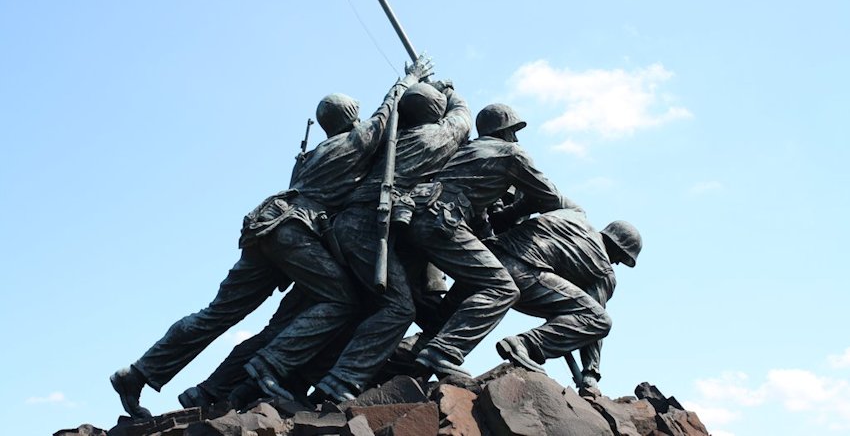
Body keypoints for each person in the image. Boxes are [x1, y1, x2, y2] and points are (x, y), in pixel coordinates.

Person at [110, 58, 433, 418]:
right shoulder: (353, 143)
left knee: (217, 314)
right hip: (294, 231)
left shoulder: (311, 156)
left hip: (265, 225)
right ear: (353, 117)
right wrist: (409, 79)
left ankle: (139, 372)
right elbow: (387, 114)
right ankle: (269, 366)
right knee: (343, 301)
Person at [187, 80, 472, 405]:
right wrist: (448, 90)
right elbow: (460, 118)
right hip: (346, 239)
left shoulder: (379, 146)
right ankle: (330, 382)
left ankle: (225, 389)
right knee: (389, 308)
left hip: (328, 241)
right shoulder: (413, 140)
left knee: (293, 323)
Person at [401, 103, 563, 378]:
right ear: (506, 131)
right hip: (442, 222)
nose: (517, 138)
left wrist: (489, 233)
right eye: (514, 131)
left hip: (413, 219)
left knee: (429, 307)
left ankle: (408, 358)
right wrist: (517, 210)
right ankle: (442, 352)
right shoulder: (512, 153)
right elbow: (552, 198)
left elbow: (477, 212)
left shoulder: (465, 150)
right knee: (503, 289)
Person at [488, 203, 642, 396]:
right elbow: (593, 321)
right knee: (600, 320)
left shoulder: (575, 218)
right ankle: (525, 344)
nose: (618, 262)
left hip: (488, 256)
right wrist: (590, 375)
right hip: (523, 274)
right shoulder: (603, 270)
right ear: (618, 248)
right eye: (622, 257)